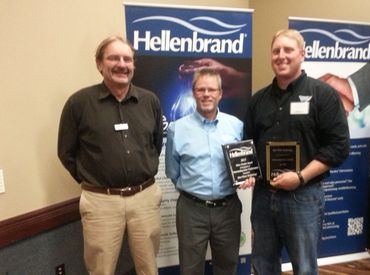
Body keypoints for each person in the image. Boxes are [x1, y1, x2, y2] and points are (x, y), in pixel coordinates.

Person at [243, 29, 350, 275]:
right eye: (276, 51)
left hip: (303, 196)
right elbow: (248, 143)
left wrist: (300, 176)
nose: (281, 56)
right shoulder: (258, 100)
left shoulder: (323, 95)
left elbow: (339, 146)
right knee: (263, 264)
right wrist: (246, 171)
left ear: (302, 54)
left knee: (304, 267)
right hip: (263, 196)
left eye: (288, 50)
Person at [57, 36, 163, 275]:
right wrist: (93, 178)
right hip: (100, 201)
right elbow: (66, 152)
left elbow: (155, 144)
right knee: (100, 270)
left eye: (127, 59)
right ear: (99, 64)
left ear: (133, 65)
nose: (121, 64)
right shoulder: (79, 103)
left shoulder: (150, 101)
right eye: (114, 58)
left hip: (144, 198)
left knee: (148, 267)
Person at [165, 67, 254, 275]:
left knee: (227, 266)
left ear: (220, 94)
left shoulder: (236, 126)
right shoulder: (176, 129)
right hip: (191, 210)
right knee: (190, 268)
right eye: (201, 89)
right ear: (193, 92)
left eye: (212, 90)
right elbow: (172, 171)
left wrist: (248, 176)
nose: (206, 94)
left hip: (228, 209)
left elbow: (245, 164)